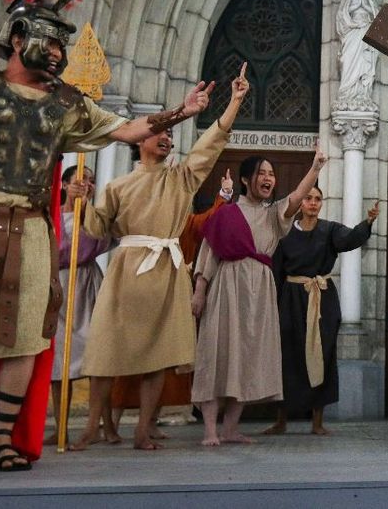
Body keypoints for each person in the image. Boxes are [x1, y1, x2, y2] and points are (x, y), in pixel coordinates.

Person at [0, 0, 217, 471]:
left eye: (64, 41)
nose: (58, 50)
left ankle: (2, 440)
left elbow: (128, 130)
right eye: (50, 38)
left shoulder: (67, 103)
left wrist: (184, 111)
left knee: (25, 335)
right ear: (18, 38)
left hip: (29, 230)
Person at [69, 66, 250, 451]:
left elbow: (211, 143)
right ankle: (92, 426)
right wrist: (81, 202)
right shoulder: (117, 185)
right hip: (125, 271)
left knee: (158, 356)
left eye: (170, 134)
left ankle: (141, 429)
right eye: (161, 132)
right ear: (140, 141)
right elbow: (98, 230)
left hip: (165, 271)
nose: (167, 137)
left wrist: (234, 101)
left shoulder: (181, 178)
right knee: (104, 350)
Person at [191, 148, 328, 446]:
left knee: (248, 355)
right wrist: (200, 290)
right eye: (261, 173)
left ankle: (230, 429)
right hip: (228, 284)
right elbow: (209, 252)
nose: (268, 179)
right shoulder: (226, 212)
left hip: (261, 288)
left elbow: (295, 197)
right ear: (245, 179)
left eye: (271, 174)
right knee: (218, 352)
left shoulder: (272, 213)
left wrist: (315, 167)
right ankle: (211, 431)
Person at [107, 171, 236, 437]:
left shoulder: (186, 222)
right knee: (129, 360)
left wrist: (223, 195)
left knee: (164, 361)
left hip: (171, 294)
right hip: (141, 291)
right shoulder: (141, 221)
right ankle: (111, 425)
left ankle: (150, 422)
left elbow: (208, 221)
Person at [262, 186, 379, 436]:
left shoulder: (330, 230)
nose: (313, 203)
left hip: (322, 299)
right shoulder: (285, 234)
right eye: (308, 199)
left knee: (322, 355)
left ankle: (317, 422)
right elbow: (276, 270)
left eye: (317, 199)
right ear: (300, 203)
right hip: (292, 299)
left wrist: (367, 221)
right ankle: (281, 420)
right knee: (287, 356)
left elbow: (350, 239)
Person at [46, 166, 112, 447]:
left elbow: (109, 236)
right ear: (63, 184)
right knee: (60, 360)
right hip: (58, 284)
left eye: (92, 180)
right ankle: (61, 426)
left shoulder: (96, 217)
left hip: (87, 283)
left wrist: (86, 209)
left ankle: (99, 425)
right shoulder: (51, 216)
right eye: (79, 180)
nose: (86, 184)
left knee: (97, 358)